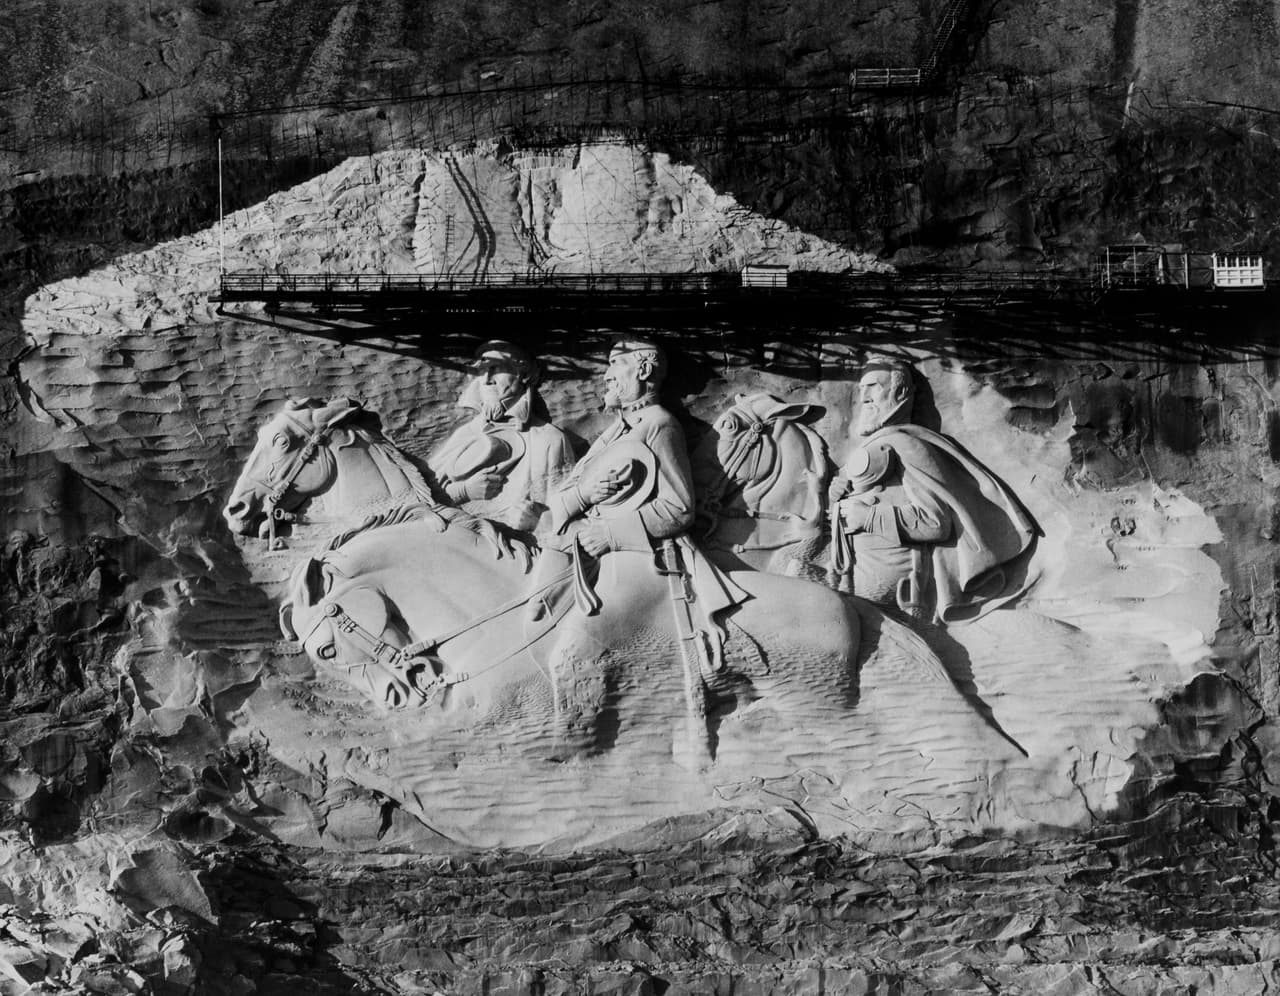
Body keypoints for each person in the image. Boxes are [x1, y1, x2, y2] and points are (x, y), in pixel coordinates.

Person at [546, 337, 748, 657]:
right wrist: (586, 494)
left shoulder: (659, 424)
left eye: (617, 363)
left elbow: (679, 508)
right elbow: (562, 497)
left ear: (643, 370)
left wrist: (610, 534)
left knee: (575, 652)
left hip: (640, 559)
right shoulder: (618, 429)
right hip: (587, 552)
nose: (607, 375)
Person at [830, 358, 1038, 624]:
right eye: (861, 389)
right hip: (853, 572)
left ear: (900, 393)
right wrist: (836, 497)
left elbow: (935, 523)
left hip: (892, 587)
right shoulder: (879, 443)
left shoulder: (910, 445)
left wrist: (869, 517)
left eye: (872, 387)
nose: (864, 397)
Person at [429, 340, 574, 536]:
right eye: (481, 371)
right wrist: (465, 490)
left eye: (496, 369)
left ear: (524, 374)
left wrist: (539, 519)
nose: (487, 379)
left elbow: (566, 517)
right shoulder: (465, 434)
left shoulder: (549, 439)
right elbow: (422, 500)